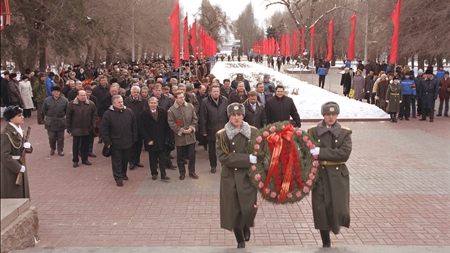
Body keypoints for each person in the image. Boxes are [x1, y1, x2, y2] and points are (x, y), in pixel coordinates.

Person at [308, 101, 352, 248]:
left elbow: (344, 154)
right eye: (328, 114)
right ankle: (325, 241)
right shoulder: (313, 131)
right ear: (323, 115)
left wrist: (321, 152)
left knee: (337, 207)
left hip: (337, 176)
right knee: (320, 207)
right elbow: (307, 152)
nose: (331, 117)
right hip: (320, 174)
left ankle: (335, 228)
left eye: (333, 114)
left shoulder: (345, 132)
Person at [216, 102, 258, 248]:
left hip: (247, 176)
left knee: (248, 207)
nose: (236, 118)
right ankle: (239, 238)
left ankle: (246, 225)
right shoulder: (222, 134)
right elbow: (224, 157)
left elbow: (259, 151)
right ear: (229, 117)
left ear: (243, 116)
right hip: (230, 177)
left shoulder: (253, 132)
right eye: (233, 115)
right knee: (232, 210)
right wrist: (247, 159)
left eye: (239, 114)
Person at [101, 95, 138, 187]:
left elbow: (134, 126)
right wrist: (107, 142)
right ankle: (118, 178)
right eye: (119, 102)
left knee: (125, 159)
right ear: (113, 104)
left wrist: (134, 138)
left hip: (127, 141)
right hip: (115, 142)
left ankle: (123, 173)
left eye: (122, 101)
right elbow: (104, 130)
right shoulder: (108, 114)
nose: (121, 103)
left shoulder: (129, 112)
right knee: (117, 161)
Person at [1, 106, 33, 198]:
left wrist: (28, 147)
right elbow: (4, 156)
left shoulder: (19, 130)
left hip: (20, 163)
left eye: (22, 114)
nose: (22, 117)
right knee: (13, 194)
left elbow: (21, 148)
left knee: (22, 193)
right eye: (19, 115)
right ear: (11, 118)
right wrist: (18, 167)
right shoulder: (6, 134)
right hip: (11, 169)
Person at [167, 91, 199, 180]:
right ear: (175, 99)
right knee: (180, 157)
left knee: (192, 156)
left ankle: (192, 172)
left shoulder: (190, 106)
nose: (182, 99)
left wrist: (191, 128)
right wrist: (181, 131)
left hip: (191, 136)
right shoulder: (171, 110)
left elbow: (195, 119)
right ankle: (182, 173)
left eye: (183, 97)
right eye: (180, 97)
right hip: (180, 137)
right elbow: (171, 124)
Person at [139, 97, 171, 181]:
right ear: (148, 104)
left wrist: (167, 138)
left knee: (162, 158)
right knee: (152, 158)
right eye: (151, 103)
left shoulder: (163, 112)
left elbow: (167, 126)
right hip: (150, 140)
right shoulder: (143, 114)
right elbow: (141, 129)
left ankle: (163, 174)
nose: (153, 105)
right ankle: (154, 173)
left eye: (155, 103)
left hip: (161, 139)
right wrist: (147, 139)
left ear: (157, 103)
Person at [199, 84, 228, 173]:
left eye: (217, 91)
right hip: (211, 129)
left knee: (225, 149)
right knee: (212, 150)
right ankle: (213, 165)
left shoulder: (225, 101)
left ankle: (225, 165)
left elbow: (228, 115)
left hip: (223, 129)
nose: (216, 93)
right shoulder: (205, 102)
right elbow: (203, 117)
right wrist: (203, 130)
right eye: (214, 91)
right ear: (210, 92)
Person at [66, 90, 97, 168]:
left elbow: (94, 115)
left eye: (84, 95)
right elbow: (68, 117)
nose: (83, 97)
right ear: (77, 95)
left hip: (87, 128)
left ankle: (85, 159)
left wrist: (94, 125)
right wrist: (68, 127)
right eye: (82, 95)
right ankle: (75, 160)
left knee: (85, 145)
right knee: (76, 145)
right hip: (76, 127)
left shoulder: (90, 104)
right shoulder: (72, 104)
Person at [124, 86, 146, 169]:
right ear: (131, 92)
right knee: (132, 145)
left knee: (139, 144)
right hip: (130, 126)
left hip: (140, 126)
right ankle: (131, 162)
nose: (136, 94)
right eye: (134, 92)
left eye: (137, 92)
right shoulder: (126, 101)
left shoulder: (143, 101)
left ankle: (137, 161)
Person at [43, 86, 69, 155]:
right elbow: (44, 110)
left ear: (60, 92)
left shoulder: (65, 100)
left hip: (60, 121)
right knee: (51, 137)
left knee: (61, 138)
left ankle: (60, 150)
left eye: (57, 91)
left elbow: (67, 110)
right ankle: (52, 148)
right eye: (54, 91)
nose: (56, 93)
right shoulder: (47, 100)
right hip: (50, 122)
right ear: (52, 92)